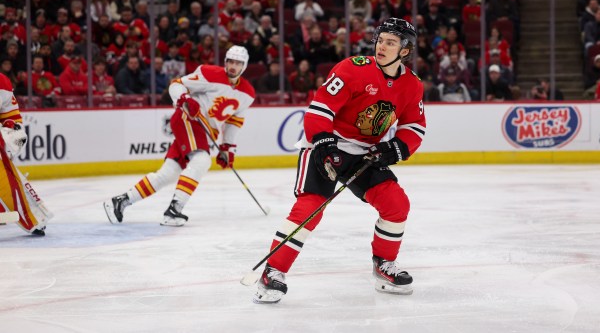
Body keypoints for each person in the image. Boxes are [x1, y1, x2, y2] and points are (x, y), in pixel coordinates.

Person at [253, 18, 426, 303]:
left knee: (396, 205)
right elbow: (320, 109)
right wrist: (324, 142)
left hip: (365, 154)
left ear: (405, 51)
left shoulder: (412, 85)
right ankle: (273, 271)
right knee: (311, 207)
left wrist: (393, 149)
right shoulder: (353, 68)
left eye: (391, 42)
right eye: (381, 40)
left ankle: (383, 267)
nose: (382, 46)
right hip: (327, 144)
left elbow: (414, 126)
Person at [103, 46, 255, 226]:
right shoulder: (210, 73)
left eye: (238, 63)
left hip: (205, 131)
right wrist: (185, 99)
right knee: (202, 160)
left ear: (244, 66)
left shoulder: (247, 94)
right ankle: (174, 210)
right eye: (230, 61)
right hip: (189, 118)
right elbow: (176, 83)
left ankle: (120, 201)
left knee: (168, 174)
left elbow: (234, 122)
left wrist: (228, 147)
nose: (233, 66)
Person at [0, 73, 52, 235]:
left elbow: (11, 115)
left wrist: (11, 126)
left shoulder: (2, 81)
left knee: (6, 175)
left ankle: (31, 217)